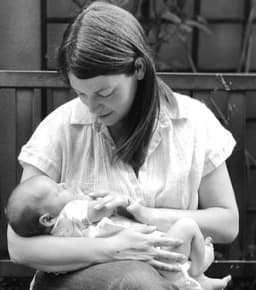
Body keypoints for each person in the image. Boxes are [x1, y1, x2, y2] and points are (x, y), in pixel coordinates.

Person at [7, 1, 239, 289]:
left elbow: (227, 222)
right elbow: (18, 245)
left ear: (139, 68)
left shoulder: (192, 122)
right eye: (81, 94)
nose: (92, 107)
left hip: (164, 273)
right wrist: (114, 248)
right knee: (138, 280)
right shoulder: (61, 128)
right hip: (73, 277)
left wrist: (146, 215)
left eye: (104, 92)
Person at [6, 175, 231, 290]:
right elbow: (96, 210)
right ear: (47, 218)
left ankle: (196, 279)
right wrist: (115, 201)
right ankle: (199, 271)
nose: (64, 184)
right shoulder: (70, 213)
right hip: (153, 256)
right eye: (58, 189)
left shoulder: (59, 230)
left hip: (150, 259)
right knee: (188, 225)